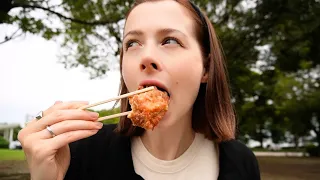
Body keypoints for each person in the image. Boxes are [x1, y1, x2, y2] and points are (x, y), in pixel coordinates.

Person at [18, 0, 261, 179]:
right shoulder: (77, 156)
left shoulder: (240, 163)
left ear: (206, 68)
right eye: (132, 43)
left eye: (170, 41)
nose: (146, 57)